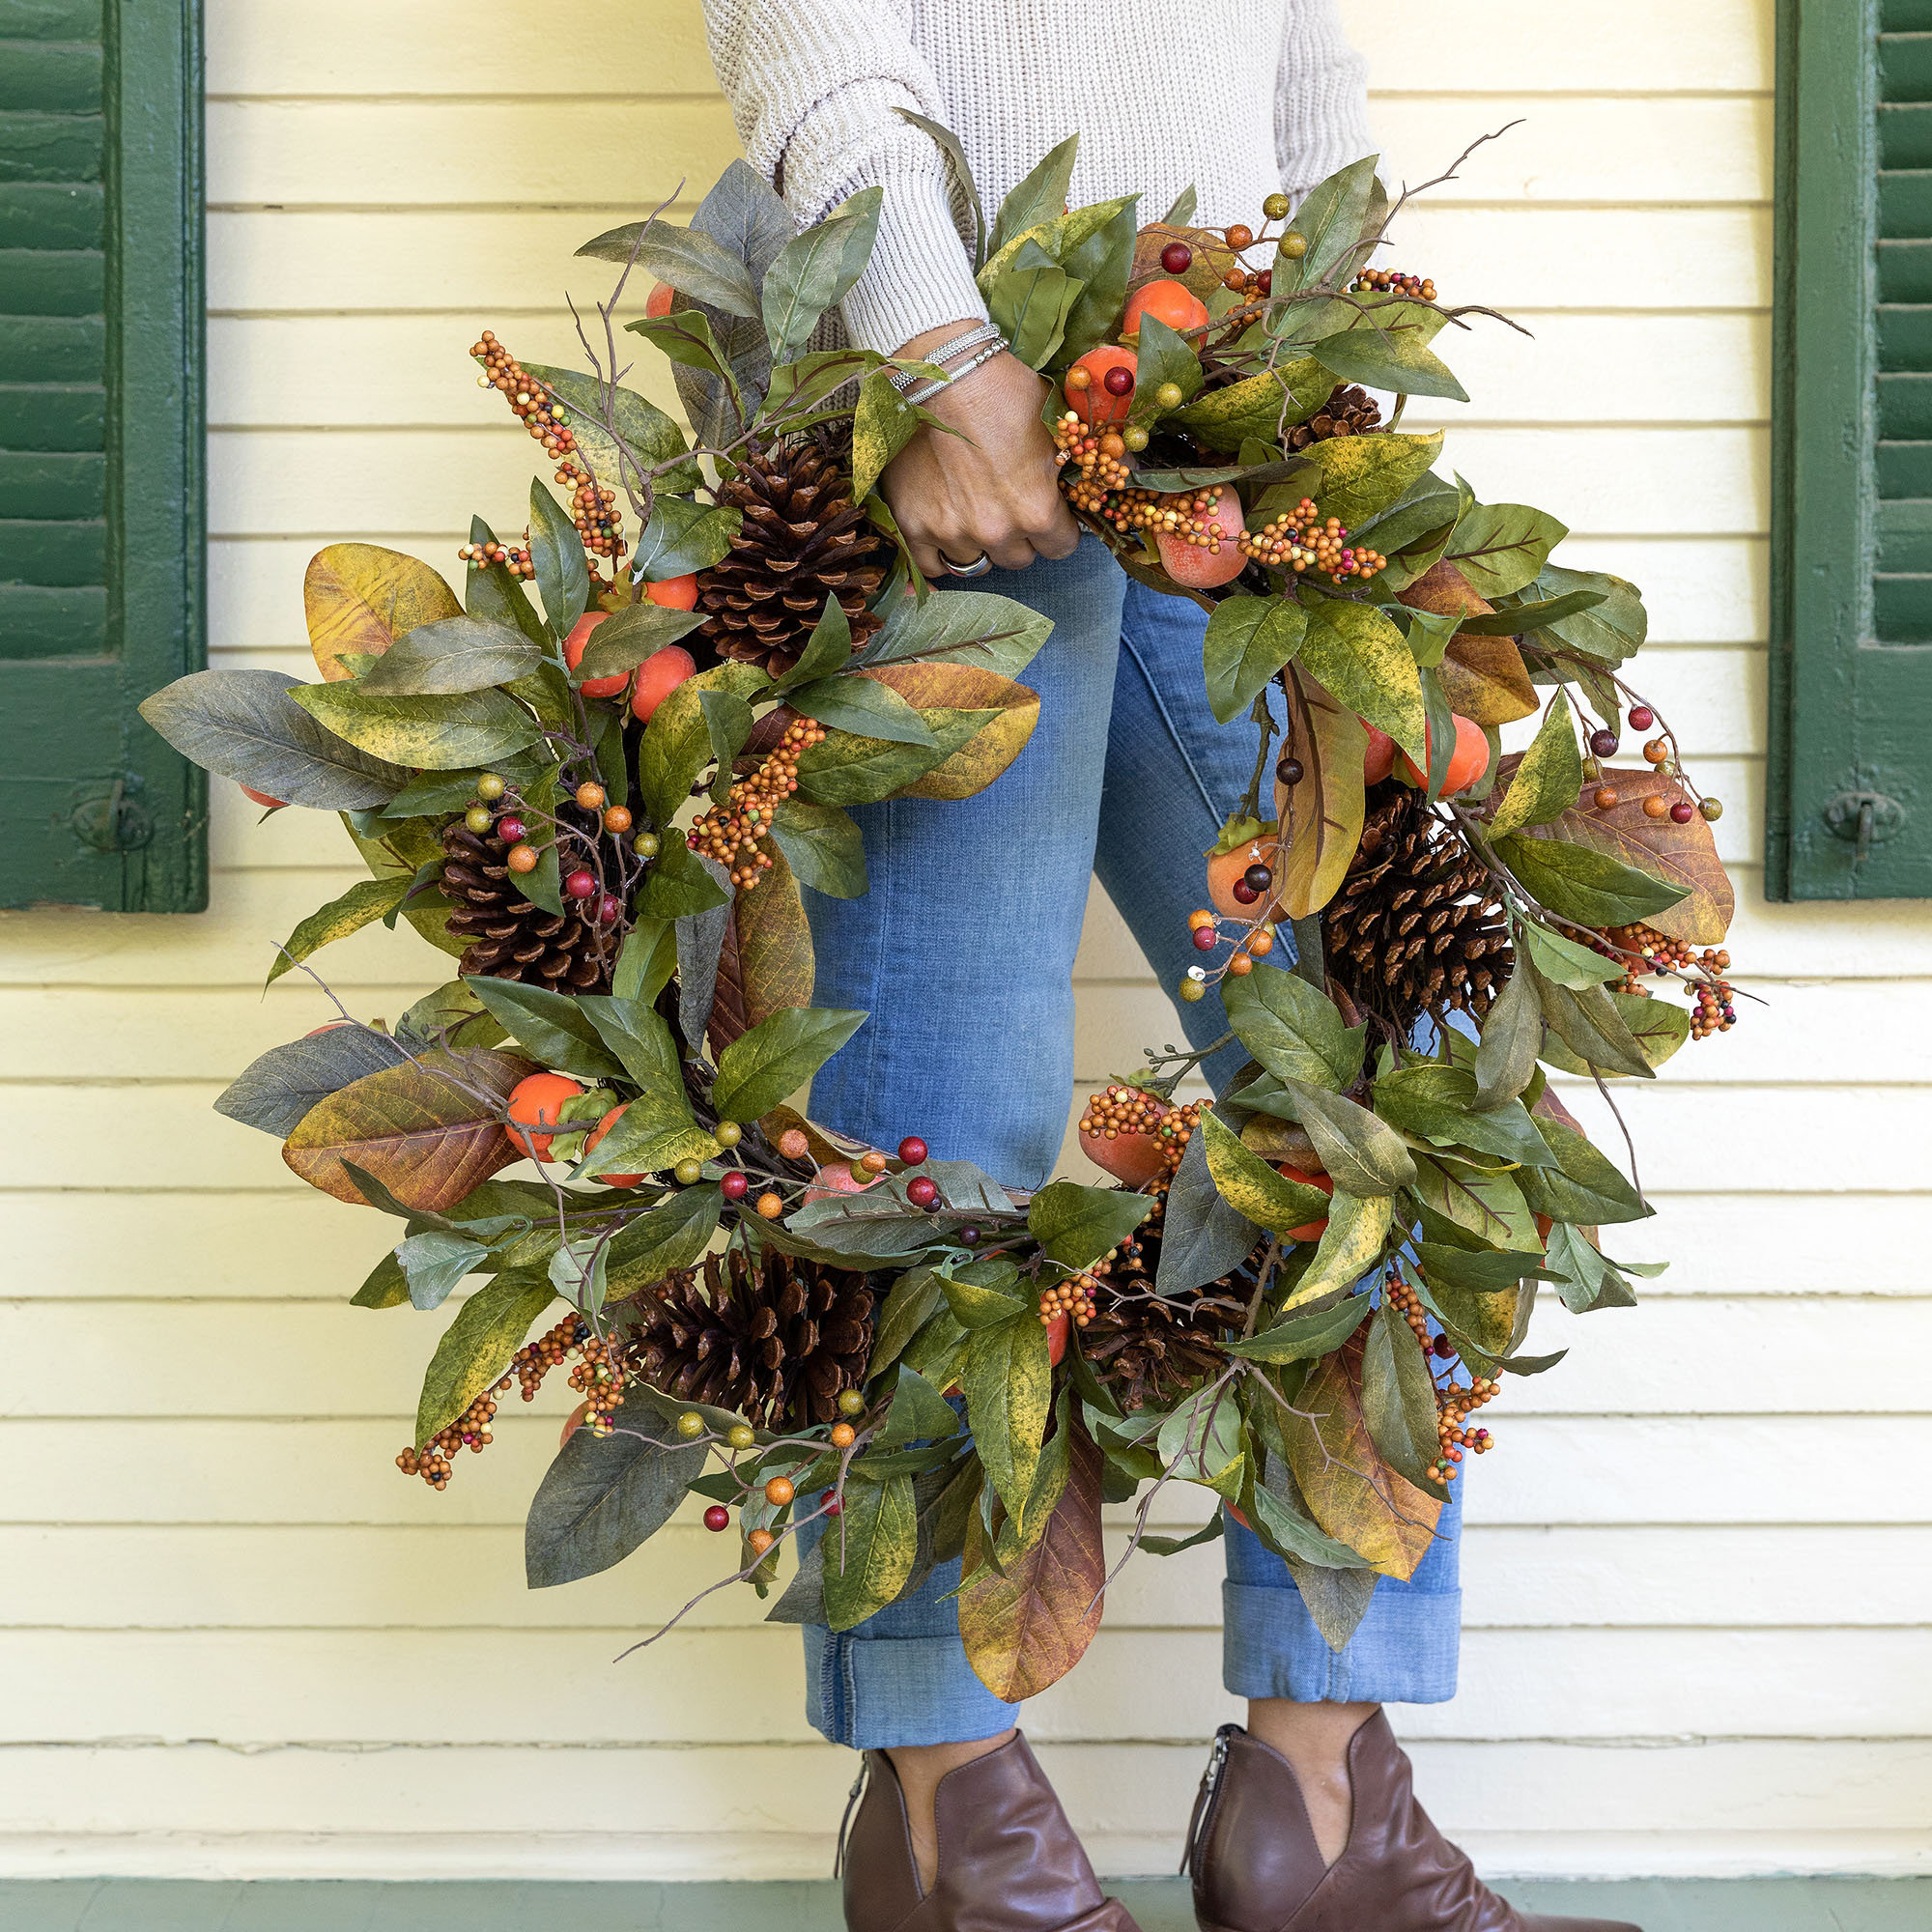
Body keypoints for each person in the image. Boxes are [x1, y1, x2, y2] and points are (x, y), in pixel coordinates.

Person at [700, 7, 1637, 1930]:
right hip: (939, 445)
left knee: (1411, 1081)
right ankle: (956, 1819)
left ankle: (1323, 1799)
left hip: (1206, 461)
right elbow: (810, 31)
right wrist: (940, 346)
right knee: (931, 1156)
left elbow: (1295, 74)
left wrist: (1318, 397)